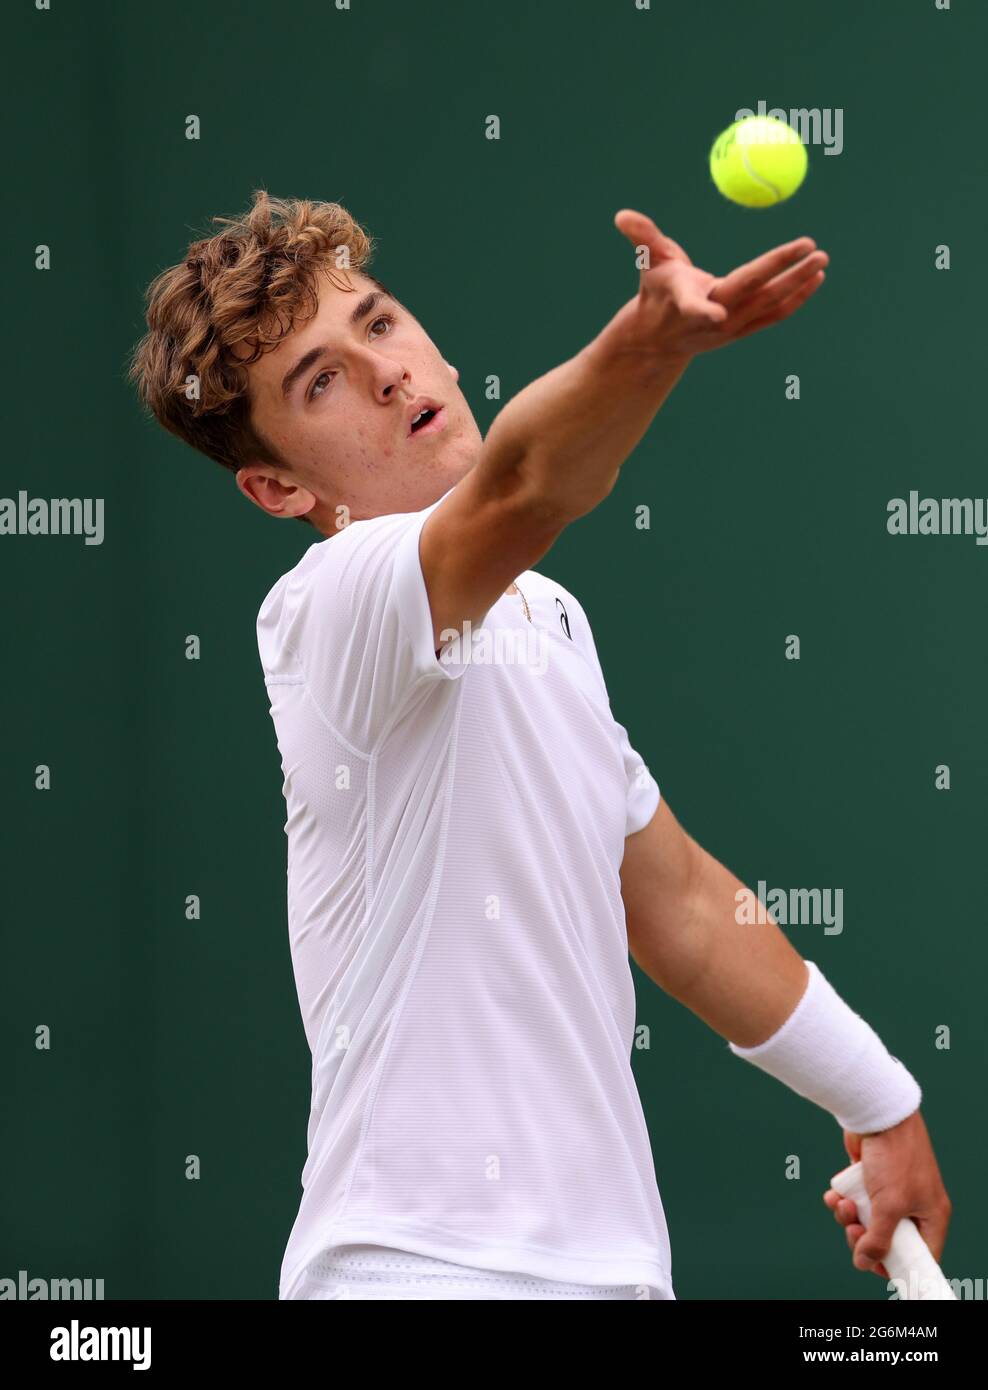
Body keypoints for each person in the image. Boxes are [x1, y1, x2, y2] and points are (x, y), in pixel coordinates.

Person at [129, 189, 951, 1300]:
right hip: (415, 1270)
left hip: (600, 1278)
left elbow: (682, 906)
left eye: (376, 322)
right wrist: (650, 345)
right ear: (280, 486)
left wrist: (878, 1101)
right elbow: (523, 483)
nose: (383, 371)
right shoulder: (331, 607)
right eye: (317, 380)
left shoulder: (546, 622)